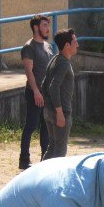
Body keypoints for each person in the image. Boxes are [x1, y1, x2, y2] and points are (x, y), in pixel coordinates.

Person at [18, 14, 52, 170]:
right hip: (34, 93)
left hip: (47, 94)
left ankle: (45, 159)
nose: (47, 29)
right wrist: (36, 92)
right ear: (36, 27)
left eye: (48, 25)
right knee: (31, 125)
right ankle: (24, 160)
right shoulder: (28, 47)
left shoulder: (48, 46)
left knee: (46, 127)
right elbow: (29, 71)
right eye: (44, 25)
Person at [41, 29, 79, 160]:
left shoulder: (54, 60)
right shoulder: (63, 63)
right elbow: (53, 86)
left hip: (49, 111)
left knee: (52, 147)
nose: (77, 45)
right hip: (60, 112)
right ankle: (52, 179)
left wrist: (48, 107)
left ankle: (39, 176)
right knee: (60, 151)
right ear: (67, 45)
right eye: (75, 41)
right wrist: (59, 112)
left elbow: (44, 85)